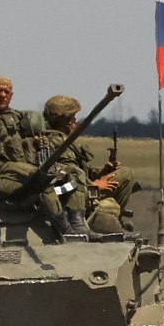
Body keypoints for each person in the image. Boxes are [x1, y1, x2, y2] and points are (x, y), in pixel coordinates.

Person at [0, 77, 95, 240]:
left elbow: (39, 136)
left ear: (11, 95)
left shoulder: (17, 117)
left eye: (6, 91)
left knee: (75, 174)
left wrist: (39, 143)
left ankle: (78, 223)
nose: (2, 95)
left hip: (23, 171)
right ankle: (65, 228)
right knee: (41, 178)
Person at [42, 95, 139, 234]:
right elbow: (66, 175)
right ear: (65, 120)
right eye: (72, 117)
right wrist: (94, 185)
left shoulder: (64, 141)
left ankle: (108, 217)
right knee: (112, 201)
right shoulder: (55, 143)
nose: (75, 121)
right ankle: (98, 216)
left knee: (126, 173)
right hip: (69, 194)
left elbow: (79, 170)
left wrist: (101, 173)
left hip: (80, 188)